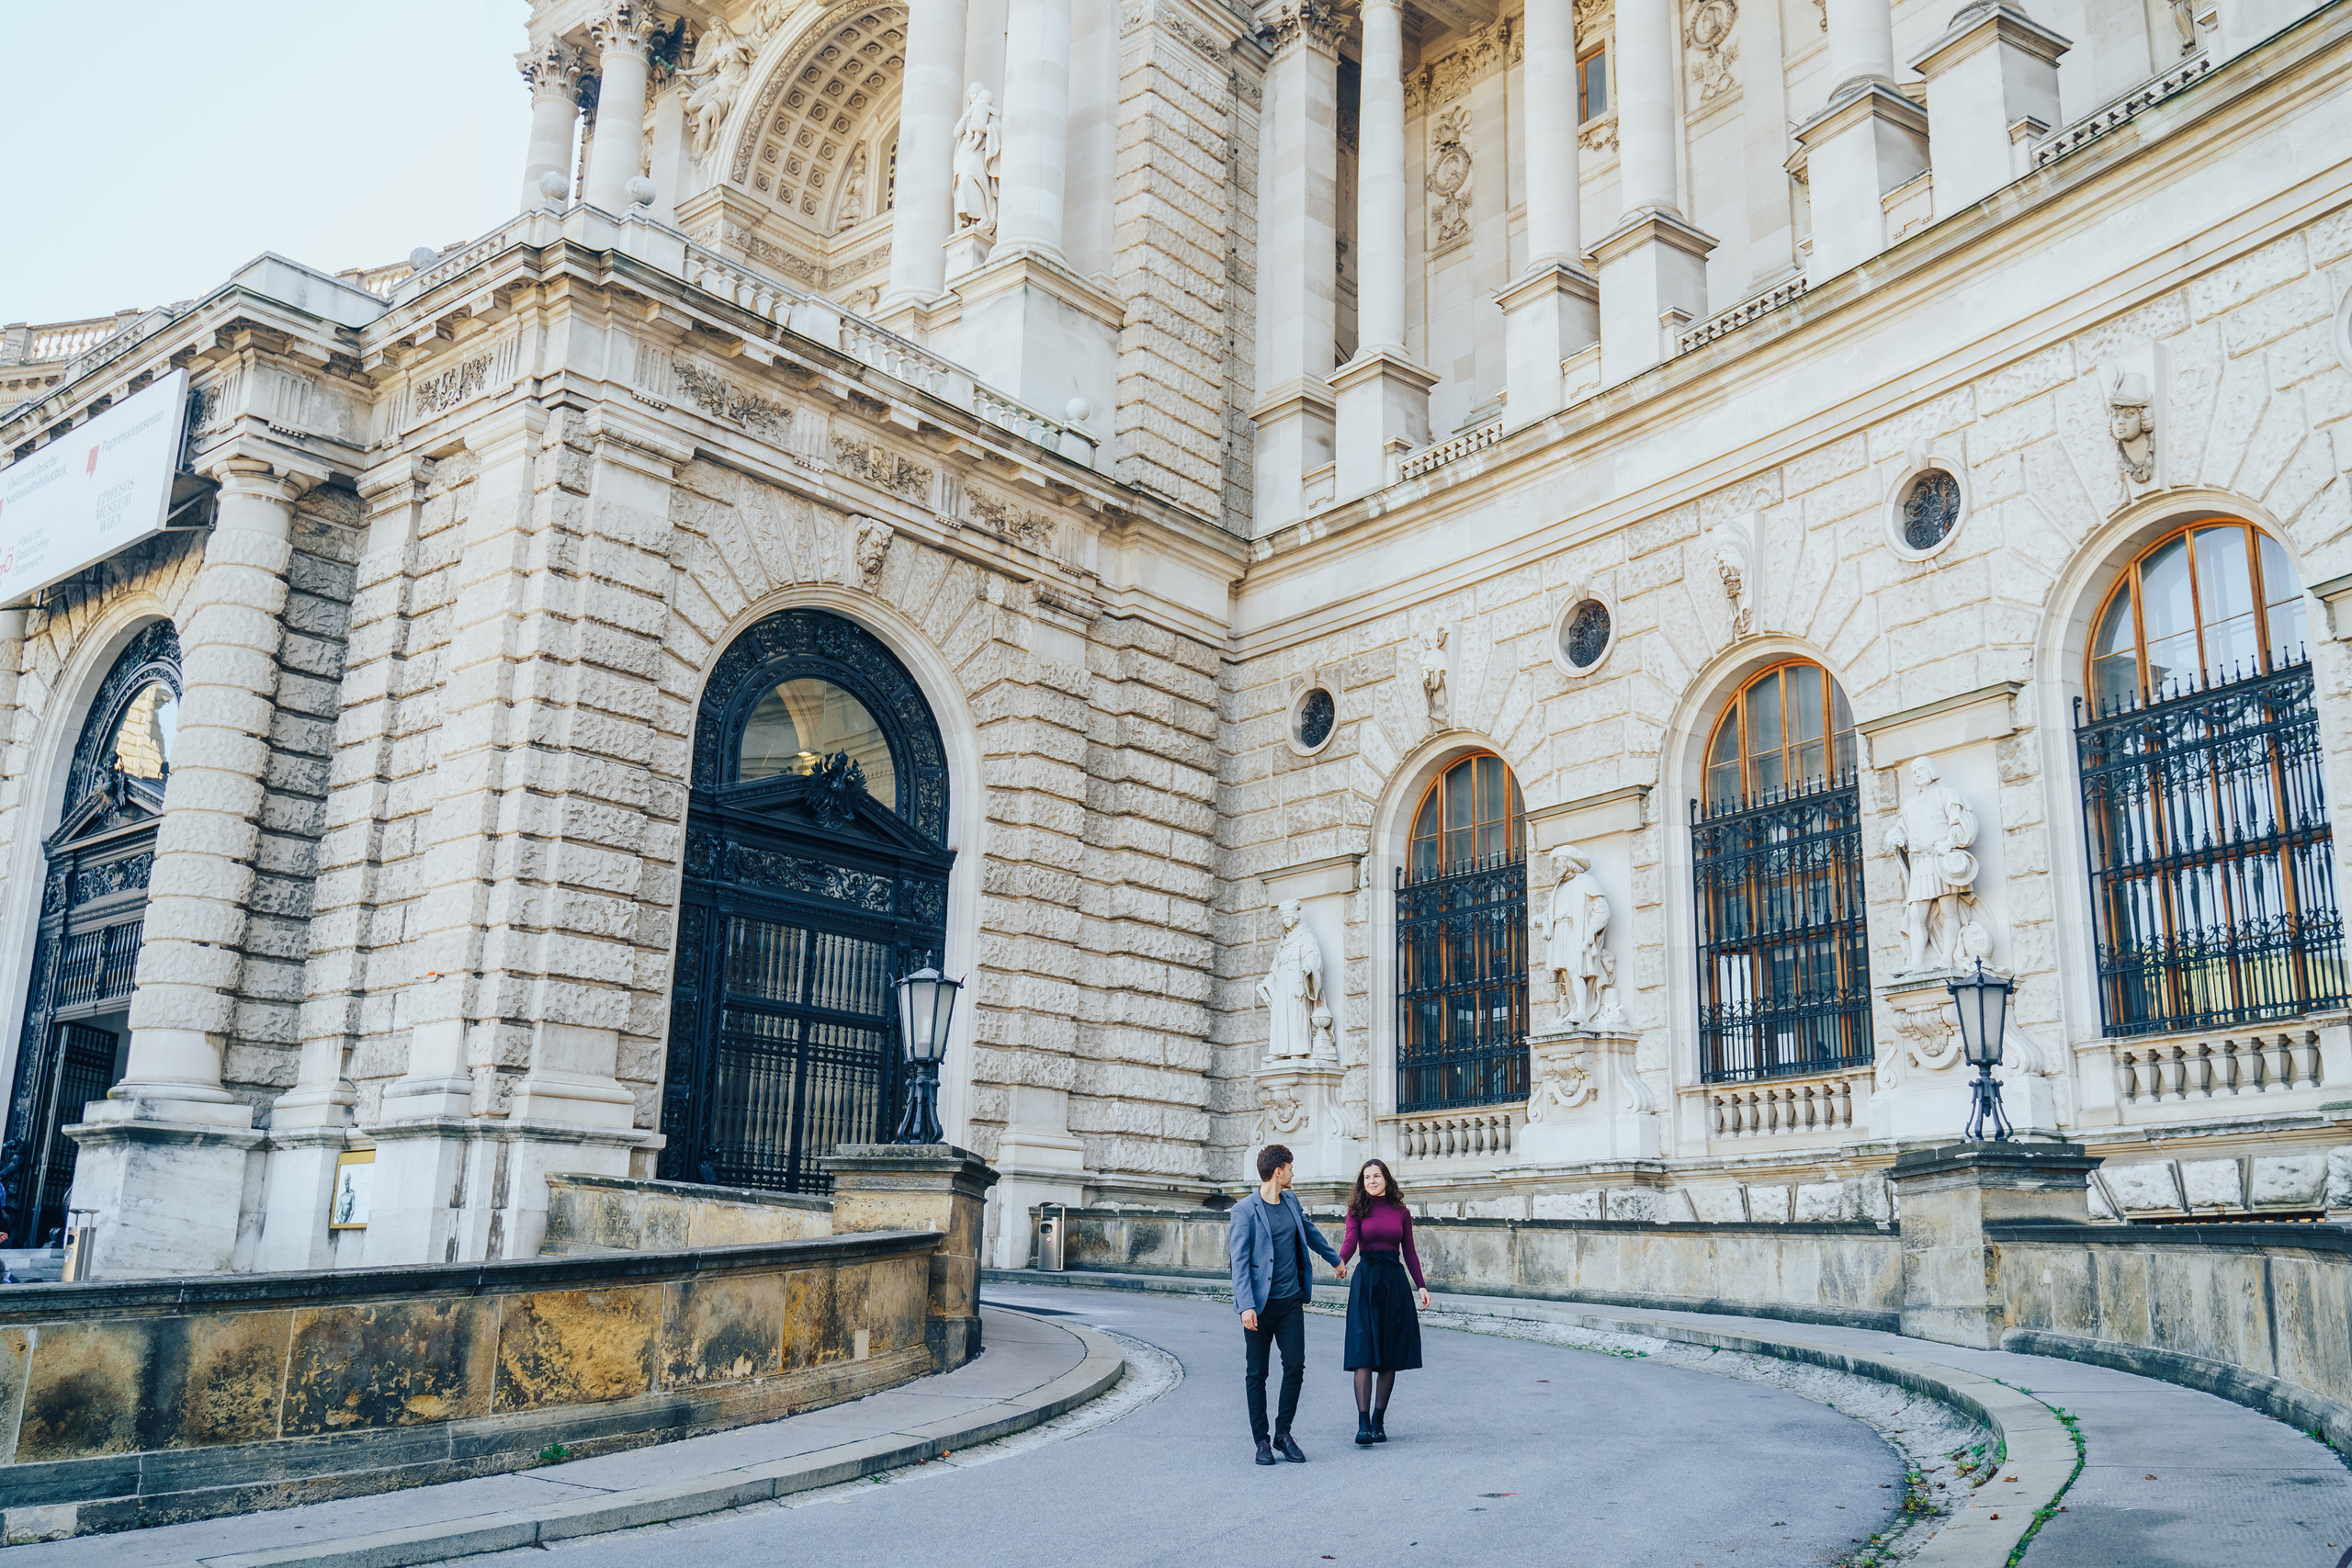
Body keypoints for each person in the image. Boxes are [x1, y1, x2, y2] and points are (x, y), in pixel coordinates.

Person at [1229, 1143, 1346, 1465]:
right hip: (1259, 1305)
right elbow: (1238, 1262)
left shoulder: (1291, 1201)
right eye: (1291, 1168)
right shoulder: (1244, 1210)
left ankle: (1283, 1433)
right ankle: (1262, 1441)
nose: (1294, 1173)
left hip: (1290, 1298)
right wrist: (1246, 1305)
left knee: (1294, 1365)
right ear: (1278, 1171)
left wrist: (1334, 1258)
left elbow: (1309, 1233)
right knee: (1257, 1373)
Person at [1339, 1158, 1429, 1446]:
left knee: (1389, 1352)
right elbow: (1351, 1239)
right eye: (1367, 1177)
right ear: (1362, 1183)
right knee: (1363, 1348)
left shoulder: (1401, 1212)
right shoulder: (1356, 1209)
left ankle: (1378, 1421)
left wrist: (1421, 1286)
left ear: (1386, 1179)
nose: (1372, 1181)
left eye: (1377, 1176)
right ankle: (1363, 1424)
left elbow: (1410, 1252)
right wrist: (1341, 1260)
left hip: (1394, 1281)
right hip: (1366, 1280)